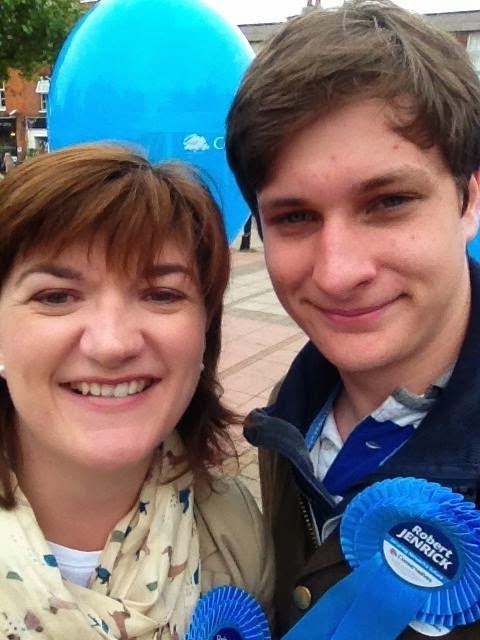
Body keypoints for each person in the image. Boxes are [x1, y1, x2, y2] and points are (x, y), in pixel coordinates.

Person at [226, 0, 480, 637]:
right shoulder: (289, 411)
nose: (338, 271)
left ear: (469, 199)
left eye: (388, 202)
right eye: (295, 217)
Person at [0, 144, 273, 639]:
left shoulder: (237, 531)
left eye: (162, 294)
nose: (112, 344)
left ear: (203, 333)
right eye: (56, 296)